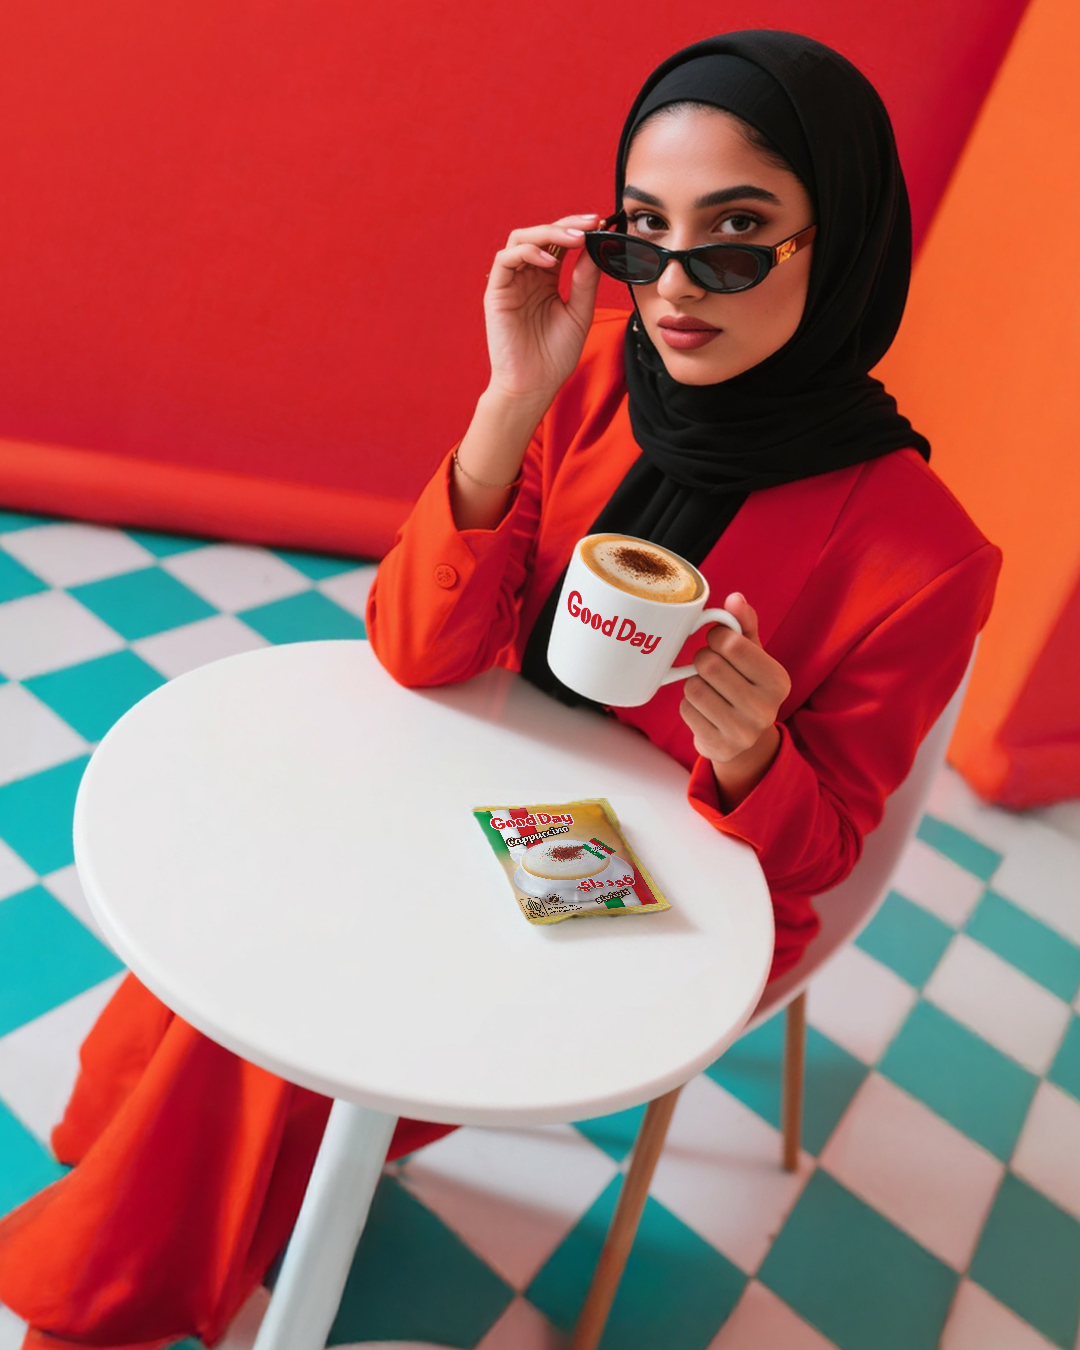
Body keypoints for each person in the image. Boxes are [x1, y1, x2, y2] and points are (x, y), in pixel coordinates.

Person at [0, 29, 1000, 1350]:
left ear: (851, 240)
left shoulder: (925, 555)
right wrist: (507, 400)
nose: (679, 289)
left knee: (300, 995)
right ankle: (170, 1199)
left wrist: (754, 749)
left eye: (740, 238)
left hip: (667, 878)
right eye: (646, 236)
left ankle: (87, 1298)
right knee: (253, 927)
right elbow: (417, 649)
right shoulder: (589, 377)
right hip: (469, 777)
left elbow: (815, 869)